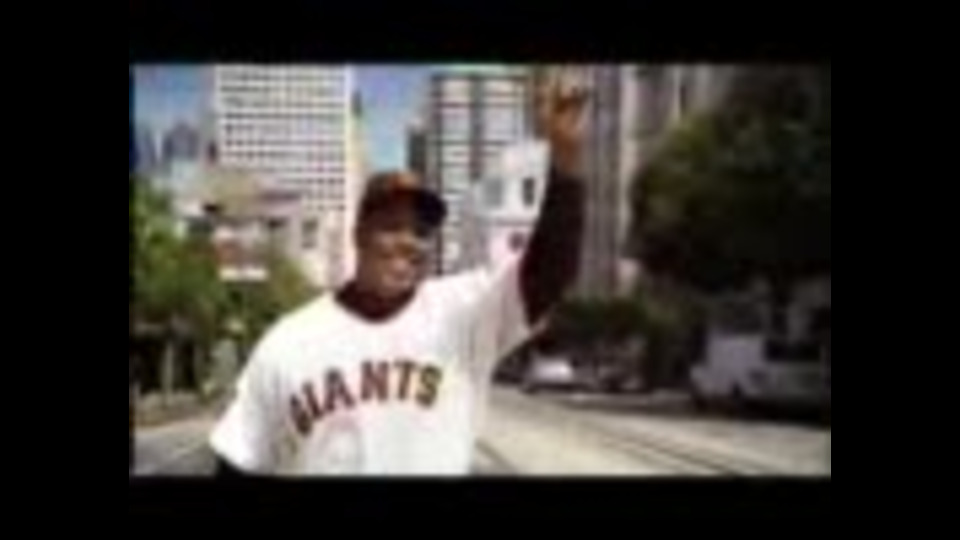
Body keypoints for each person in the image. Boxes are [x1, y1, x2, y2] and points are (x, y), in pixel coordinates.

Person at [210, 69, 589, 476]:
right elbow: (237, 459)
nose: (409, 242)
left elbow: (549, 271)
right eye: (391, 226)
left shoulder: (462, 312)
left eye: (421, 232)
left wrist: (565, 161)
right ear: (358, 235)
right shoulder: (288, 341)